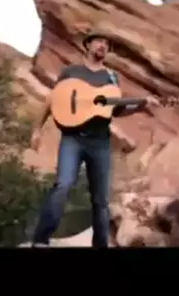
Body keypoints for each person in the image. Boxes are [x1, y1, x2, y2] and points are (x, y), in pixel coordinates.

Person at [29, 25, 160, 247]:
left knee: (101, 200)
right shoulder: (71, 72)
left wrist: (141, 105)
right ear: (88, 45)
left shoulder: (111, 77)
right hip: (73, 138)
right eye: (99, 41)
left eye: (106, 44)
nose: (103, 46)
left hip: (100, 142)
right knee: (63, 185)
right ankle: (41, 240)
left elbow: (115, 110)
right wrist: (37, 130)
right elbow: (52, 100)